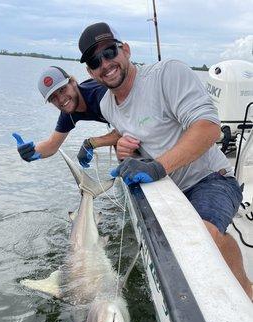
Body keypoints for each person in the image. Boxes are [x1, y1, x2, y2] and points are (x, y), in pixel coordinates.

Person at [78, 22, 252, 299]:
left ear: (125, 50)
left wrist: (157, 166)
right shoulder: (106, 105)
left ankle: (246, 288)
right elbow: (128, 133)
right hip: (166, 188)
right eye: (95, 61)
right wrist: (123, 149)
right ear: (89, 71)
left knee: (203, 236)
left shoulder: (167, 73)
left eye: (110, 52)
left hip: (209, 178)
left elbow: (208, 127)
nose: (105, 64)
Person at [13, 65, 120, 168]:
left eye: (62, 89)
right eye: (53, 97)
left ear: (73, 82)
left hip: (133, 115)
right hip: (123, 123)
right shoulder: (69, 113)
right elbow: (51, 145)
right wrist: (30, 153)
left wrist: (90, 143)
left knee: (123, 144)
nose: (61, 99)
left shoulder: (100, 94)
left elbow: (128, 128)